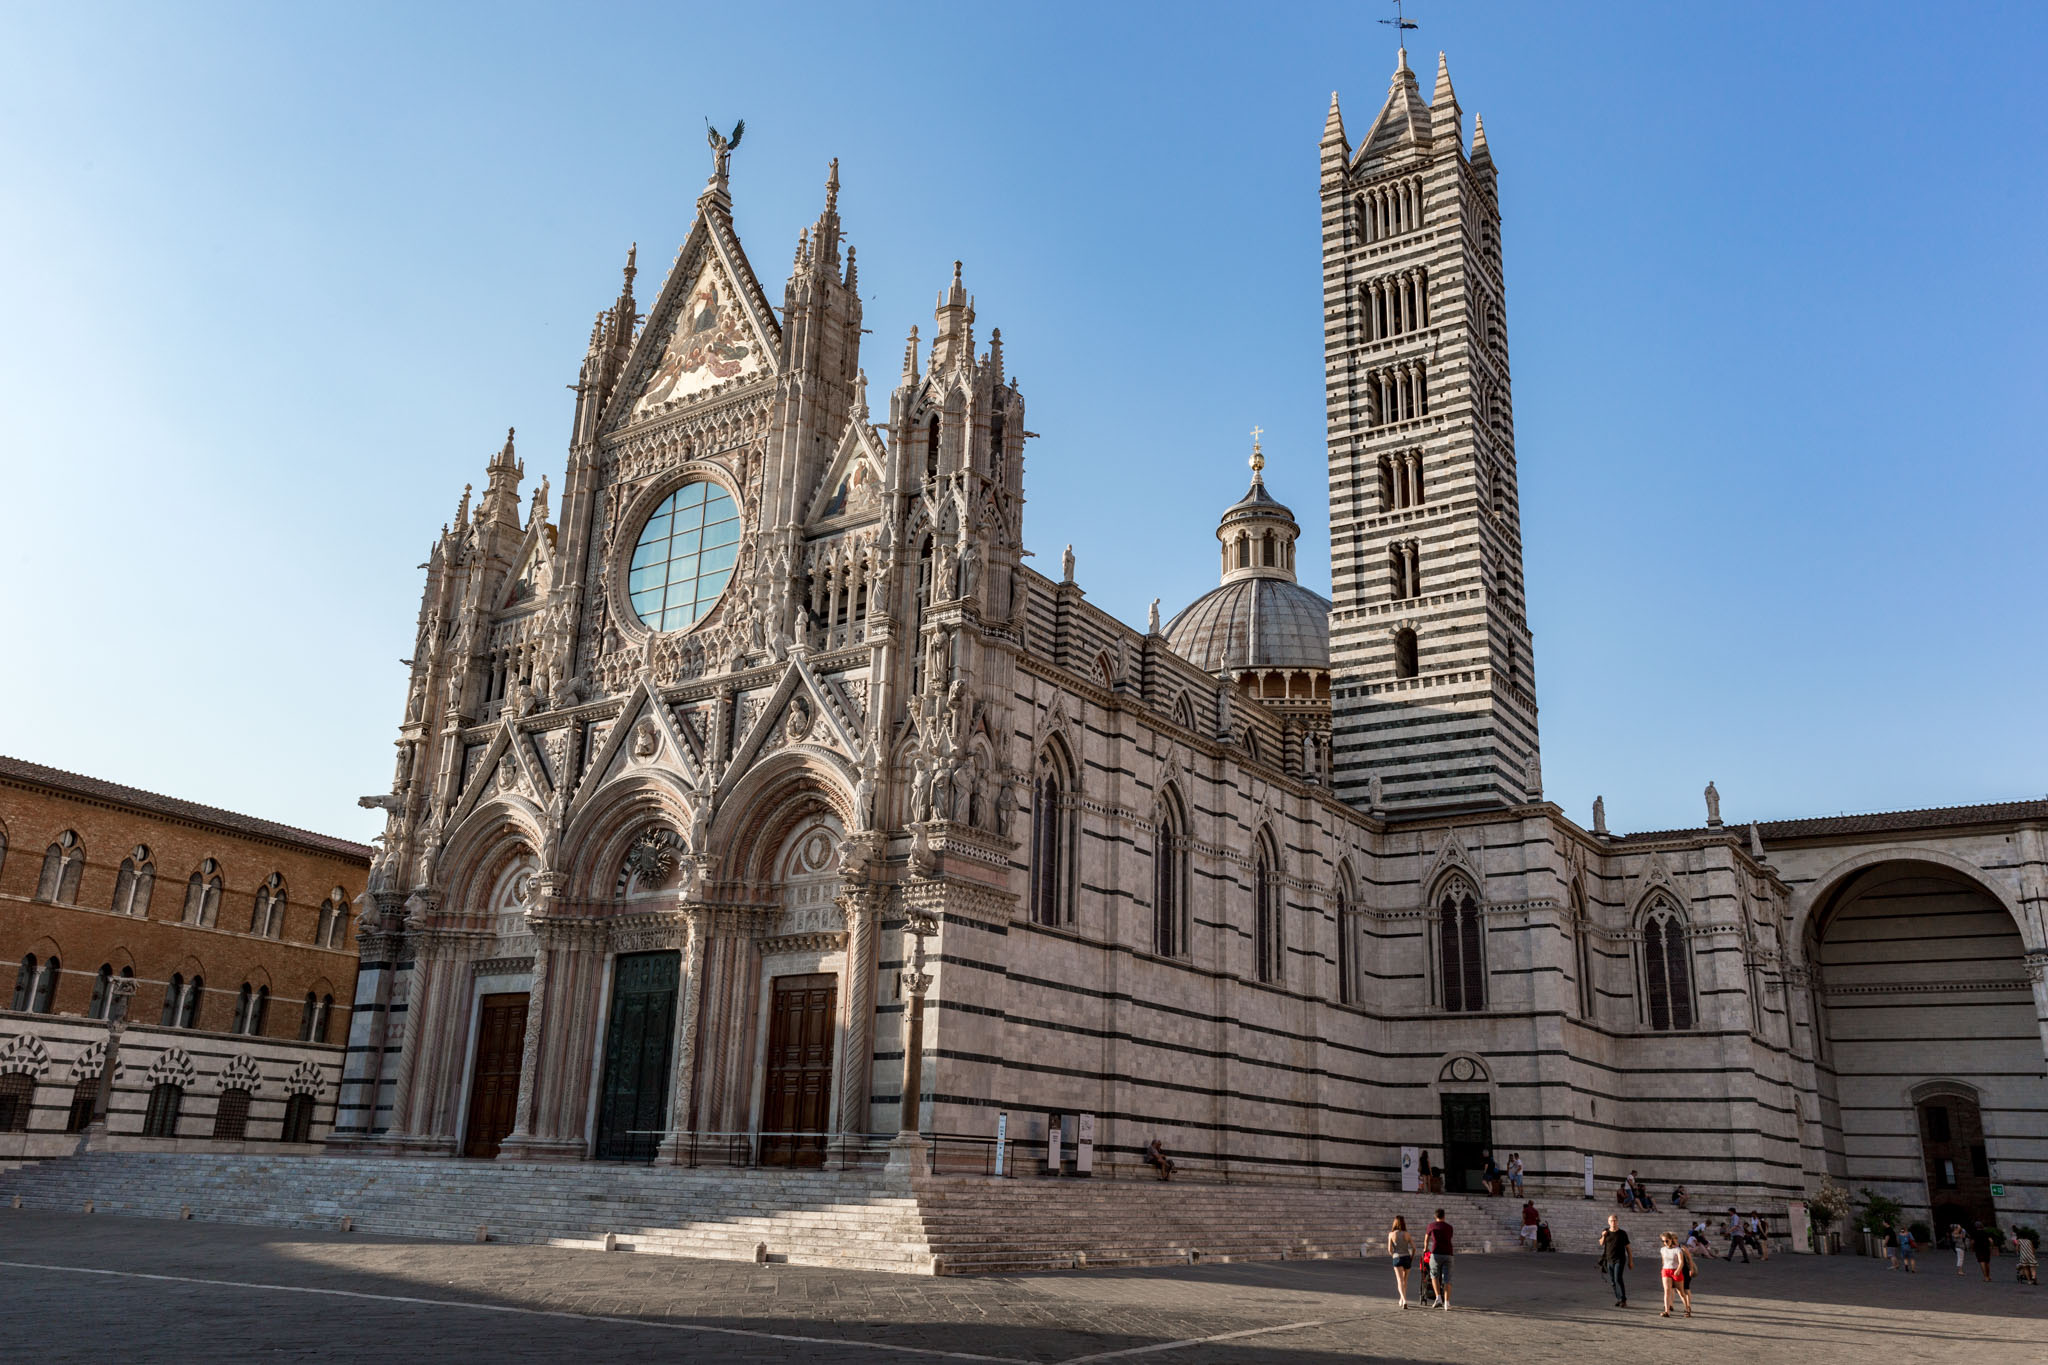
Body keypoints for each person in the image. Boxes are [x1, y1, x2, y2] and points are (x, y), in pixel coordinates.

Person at [1424, 1208, 1455, 1310]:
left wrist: (1425, 1249)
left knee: (1434, 1275)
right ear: (1444, 1216)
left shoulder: (1431, 1226)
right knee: (1447, 1279)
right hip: (1448, 1253)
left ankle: (1438, 1297)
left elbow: (1426, 1240)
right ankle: (1447, 1302)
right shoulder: (1449, 1227)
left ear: (1435, 1216)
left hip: (1436, 1253)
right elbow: (1449, 1238)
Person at [1600, 1214, 1633, 1307]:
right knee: (1613, 1281)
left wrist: (1630, 1261)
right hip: (1609, 1259)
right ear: (1608, 1222)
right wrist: (1603, 1236)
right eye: (1611, 1221)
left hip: (1620, 1259)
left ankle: (1623, 1300)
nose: (1613, 1222)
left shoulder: (1622, 1233)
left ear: (1617, 1221)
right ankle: (1618, 1298)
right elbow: (1601, 1243)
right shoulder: (1606, 1232)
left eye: (1614, 1220)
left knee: (1618, 1278)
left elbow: (1628, 1248)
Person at [1658, 1232, 1694, 1318]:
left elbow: (1681, 1262)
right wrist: (1662, 1269)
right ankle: (1667, 1311)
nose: (1665, 1243)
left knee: (1681, 1292)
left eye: (1666, 1241)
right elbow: (1663, 1260)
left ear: (1671, 1240)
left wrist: (1678, 1270)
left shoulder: (1678, 1250)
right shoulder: (1662, 1249)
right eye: (1663, 1241)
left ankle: (1687, 1309)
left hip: (1676, 1271)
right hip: (1666, 1270)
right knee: (1667, 1291)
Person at [1386, 1216, 1416, 1308]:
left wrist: (1393, 1256)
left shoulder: (1391, 1234)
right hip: (1407, 1257)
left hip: (1397, 1257)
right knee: (1405, 1281)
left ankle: (1404, 1300)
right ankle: (1402, 1299)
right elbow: (1414, 1248)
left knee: (1400, 1280)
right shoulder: (1407, 1234)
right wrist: (1411, 1258)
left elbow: (1390, 1250)